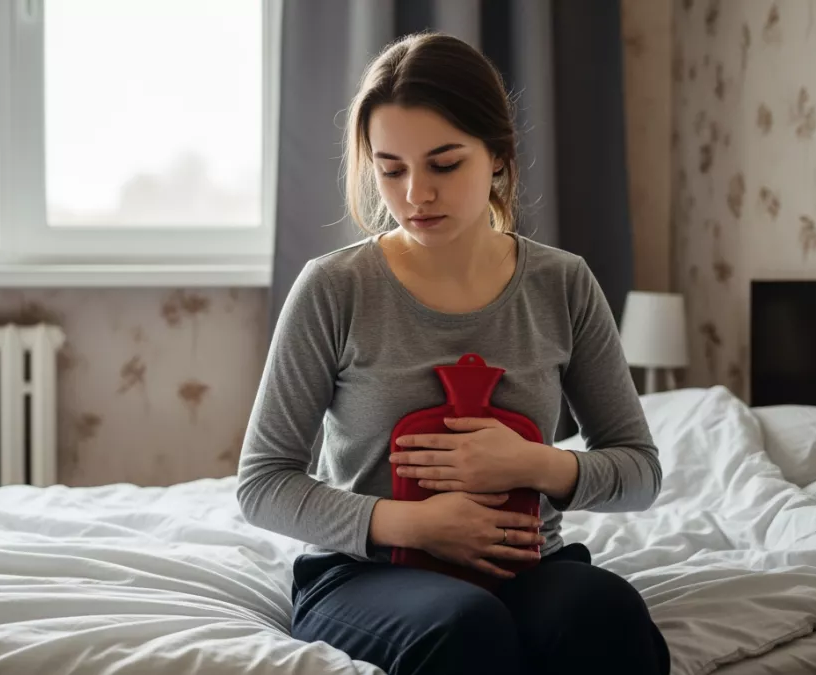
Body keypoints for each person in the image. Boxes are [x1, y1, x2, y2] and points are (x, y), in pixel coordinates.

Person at [237, 31, 670, 675]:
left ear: (497, 156)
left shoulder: (563, 283)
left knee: (608, 613)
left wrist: (537, 464)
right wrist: (413, 525)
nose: (416, 193)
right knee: (465, 627)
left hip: (527, 568)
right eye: (391, 169)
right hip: (368, 574)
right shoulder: (333, 287)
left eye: (444, 164)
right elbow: (262, 483)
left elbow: (639, 472)